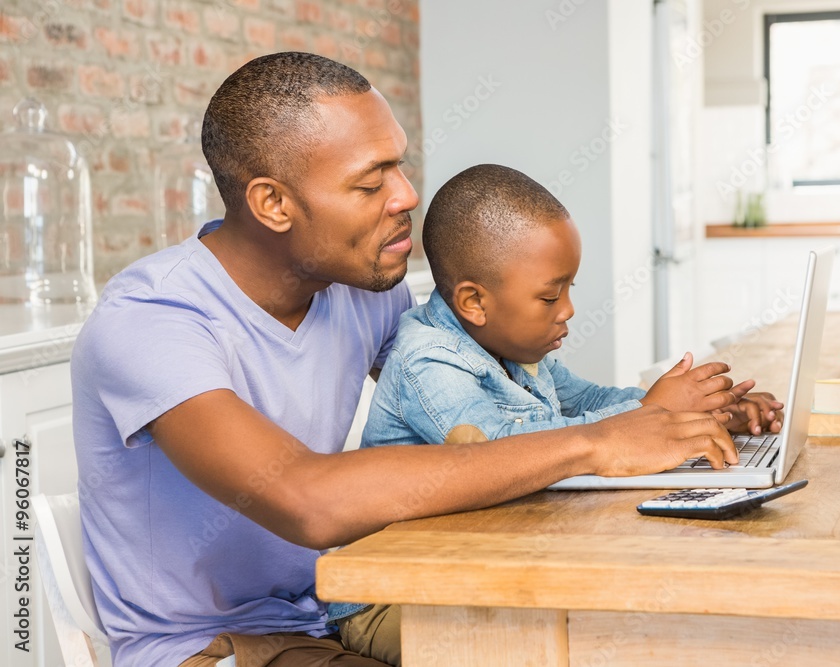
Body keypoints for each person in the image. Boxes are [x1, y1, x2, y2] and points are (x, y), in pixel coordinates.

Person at [71, 53, 740, 667]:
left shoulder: (359, 294)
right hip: (214, 648)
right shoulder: (152, 321)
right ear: (272, 202)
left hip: (335, 609)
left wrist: (662, 416)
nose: (407, 196)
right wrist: (594, 443)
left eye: (399, 165)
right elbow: (310, 499)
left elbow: (470, 400)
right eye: (370, 184)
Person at [361, 163, 784, 452]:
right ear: (474, 302)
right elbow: (502, 451)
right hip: (416, 566)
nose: (567, 311)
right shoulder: (428, 362)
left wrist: (705, 411)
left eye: (569, 290)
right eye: (549, 297)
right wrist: (653, 411)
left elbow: (588, 399)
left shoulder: (513, 347)